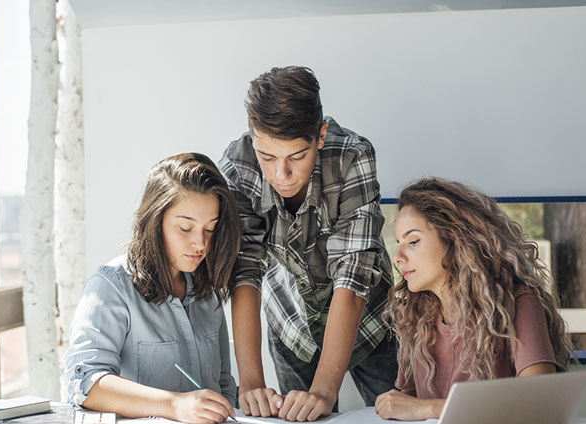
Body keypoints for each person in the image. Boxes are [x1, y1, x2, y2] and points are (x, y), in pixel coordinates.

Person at [219, 66, 397, 422]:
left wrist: (323, 390)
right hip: (291, 323)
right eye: (267, 158)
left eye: (296, 157)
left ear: (320, 135)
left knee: (400, 417)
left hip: (371, 323)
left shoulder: (352, 156)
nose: (280, 176)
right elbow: (245, 273)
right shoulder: (238, 167)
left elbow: (353, 275)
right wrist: (250, 383)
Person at [374, 178, 574, 421]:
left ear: (456, 239)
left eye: (413, 241)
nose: (397, 257)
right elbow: (406, 404)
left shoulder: (519, 302)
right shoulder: (415, 314)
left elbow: (538, 406)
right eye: (398, 244)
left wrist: (429, 408)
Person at [64, 153, 240, 424]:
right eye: (185, 228)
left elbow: (224, 385)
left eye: (210, 229)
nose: (200, 244)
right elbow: (86, 383)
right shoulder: (110, 287)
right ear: (155, 222)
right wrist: (174, 405)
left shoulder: (208, 295)